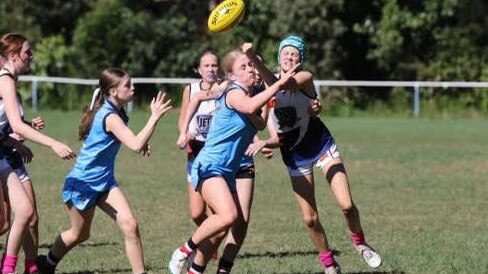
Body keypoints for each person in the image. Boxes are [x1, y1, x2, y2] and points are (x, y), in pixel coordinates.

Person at [245, 35, 382, 274]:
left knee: (347, 205)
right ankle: (329, 265)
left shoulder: (304, 77)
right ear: (279, 56)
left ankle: (360, 243)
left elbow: (285, 85)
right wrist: (265, 141)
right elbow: (273, 129)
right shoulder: (266, 89)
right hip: (294, 154)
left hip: (321, 145)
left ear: (301, 59)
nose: (289, 56)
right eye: (285, 52)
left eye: (294, 54)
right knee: (309, 218)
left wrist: (251, 57)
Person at [169, 45, 299, 274]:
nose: (251, 69)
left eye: (251, 65)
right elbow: (249, 106)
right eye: (244, 66)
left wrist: (269, 96)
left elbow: (259, 123)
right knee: (229, 215)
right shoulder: (234, 92)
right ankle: (183, 251)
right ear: (231, 75)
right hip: (209, 164)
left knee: (222, 227)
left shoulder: (248, 95)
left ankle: (195, 270)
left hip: (225, 172)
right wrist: (279, 83)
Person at [35, 68, 172, 274]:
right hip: (83, 182)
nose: (132, 87)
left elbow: (130, 140)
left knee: (130, 226)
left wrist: (141, 141)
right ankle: (47, 263)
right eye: (127, 85)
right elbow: (134, 144)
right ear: (113, 91)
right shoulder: (110, 117)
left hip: (105, 182)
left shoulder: (116, 112)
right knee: (79, 234)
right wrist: (153, 117)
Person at [0, 32, 76, 274]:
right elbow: (17, 125)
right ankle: (8, 267)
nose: (30, 56)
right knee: (10, 218)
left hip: (5, 153)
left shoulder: (9, 81)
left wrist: (17, 143)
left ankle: (23, 268)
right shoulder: (5, 80)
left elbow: (11, 126)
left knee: (28, 215)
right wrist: (53, 143)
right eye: (27, 52)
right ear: (12, 55)